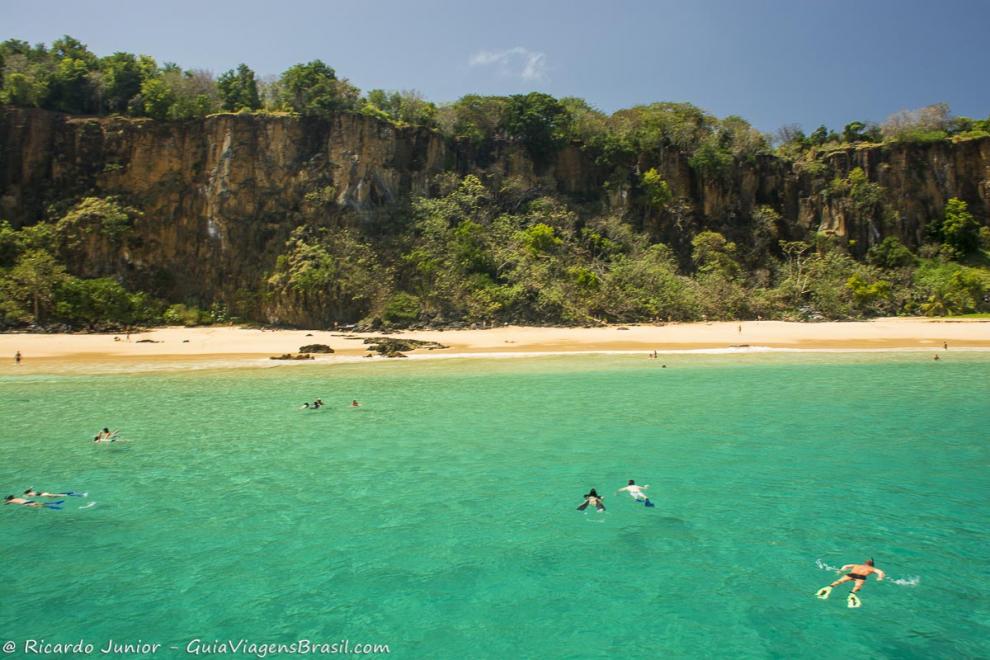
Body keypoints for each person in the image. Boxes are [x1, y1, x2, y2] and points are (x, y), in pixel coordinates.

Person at [817, 559, 885, 607]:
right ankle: (852, 594)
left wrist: (841, 570)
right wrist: (880, 578)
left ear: (864, 563)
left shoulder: (857, 565)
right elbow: (880, 572)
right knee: (857, 586)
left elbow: (846, 566)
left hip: (851, 574)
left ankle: (830, 586)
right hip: (860, 577)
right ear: (872, 565)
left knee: (840, 581)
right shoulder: (872, 568)